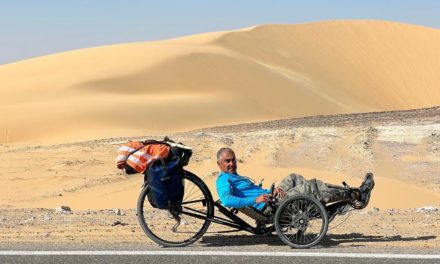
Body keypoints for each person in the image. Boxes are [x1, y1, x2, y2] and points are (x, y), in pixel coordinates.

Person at [215, 147, 374, 213]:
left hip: (272, 197)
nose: (231, 164)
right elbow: (227, 200)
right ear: (219, 164)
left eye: (233, 160)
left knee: (294, 177)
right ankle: (357, 194)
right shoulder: (223, 180)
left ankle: (308, 206)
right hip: (269, 206)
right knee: (312, 187)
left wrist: (273, 191)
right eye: (227, 161)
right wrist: (256, 198)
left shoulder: (234, 176)